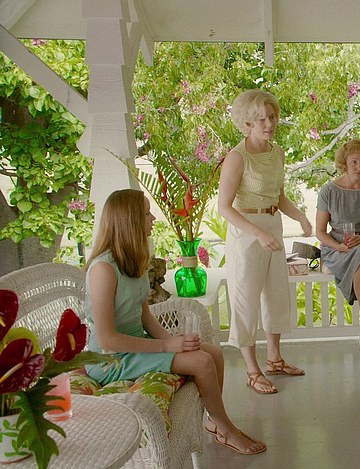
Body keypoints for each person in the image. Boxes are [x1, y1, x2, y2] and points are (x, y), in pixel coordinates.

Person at [84, 189, 266, 455]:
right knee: (201, 362)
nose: (152, 218)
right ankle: (226, 429)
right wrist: (167, 346)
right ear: (129, 221)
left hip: (136, 347)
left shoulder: (132, 261)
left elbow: (145, 316)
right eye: (146, 213)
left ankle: (215, 423)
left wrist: (173, 341)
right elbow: (107, 339)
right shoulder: (103, 269)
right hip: (109, 360)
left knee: (214, 354)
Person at [218, 89, 312, 395]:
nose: (269, 123)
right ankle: (252, 370)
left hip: (273, 227)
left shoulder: (277, 152)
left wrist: (300, 217)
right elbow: (224, 207)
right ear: (247, 122)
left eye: (272, 117)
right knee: (246, 300)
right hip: (247, 233)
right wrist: (257, 232)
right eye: (261, 119)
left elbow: (279, 197)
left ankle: (274, 359)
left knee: (276, 295)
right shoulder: (237, 158)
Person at [316, 139, 360, 367]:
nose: (359, 167)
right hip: (338, 246)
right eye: (354, 162)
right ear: (344, 163)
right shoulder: (329, 191)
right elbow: (320, 232)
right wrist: (338, 246)